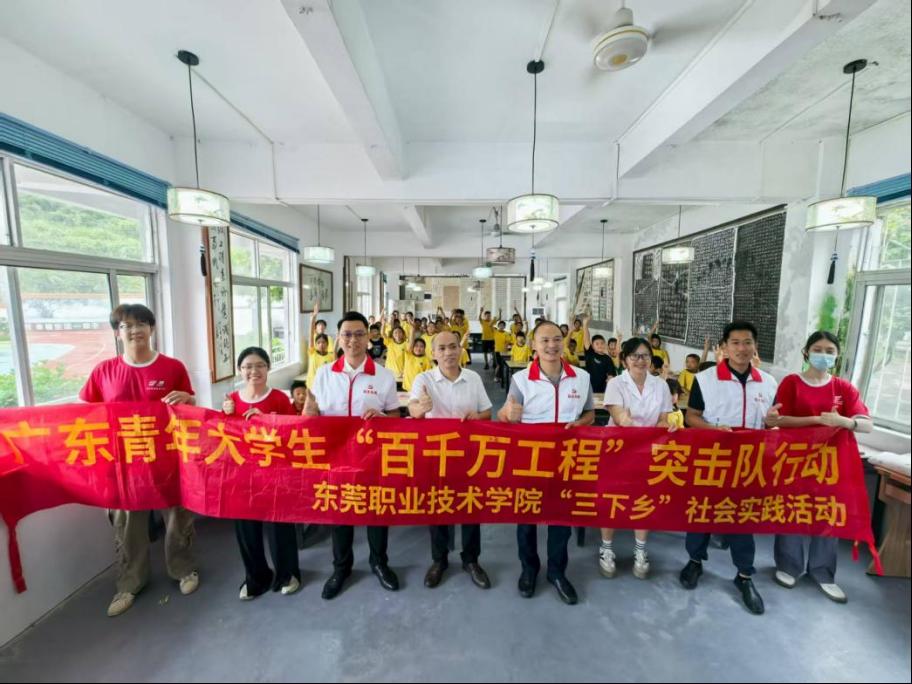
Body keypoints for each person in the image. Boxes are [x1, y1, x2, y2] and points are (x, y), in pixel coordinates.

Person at [79, 304, 199, 617]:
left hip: (168, 458)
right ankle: (130, 582)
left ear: (152, 328)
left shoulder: (172, 367)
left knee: (177, 518)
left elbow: (190, 406)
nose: (135, 330)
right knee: (127, 525)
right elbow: (85, 413)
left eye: (142, 324)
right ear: (117, 333)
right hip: (124, 463)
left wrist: (188, 398)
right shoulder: (104, 371)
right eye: (127, 325)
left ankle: (183, 569)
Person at [765, 330, 872, 603]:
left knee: (828, 514)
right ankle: (788, 565)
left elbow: (866, 424)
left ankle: (823, 572)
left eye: (829, 351)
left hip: (831, 464)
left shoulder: (843, 388)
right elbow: (778, 419)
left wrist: (845, 422)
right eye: (818, 349)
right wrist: (817, 420)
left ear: (837, 356)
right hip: (795, 461)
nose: (823, 355)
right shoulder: (792, 383)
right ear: (806, 352)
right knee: (792, 510)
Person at [679, 321, 777, 615]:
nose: (741, 348)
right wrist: (713, 430)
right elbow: (691, 417)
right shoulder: (706, 379)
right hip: (713, 459)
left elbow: (773, 422)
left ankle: (744, 575)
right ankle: (694, 561)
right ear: (724, 347)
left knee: (743, 517)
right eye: (735, 342)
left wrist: (773, 425)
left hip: (750, 463)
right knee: (702, 512)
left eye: (747, 342)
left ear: (755, 346)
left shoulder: (769, 383)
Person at [305, 311, 401, 599]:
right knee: (340, 513)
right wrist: (308, 413)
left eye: (359, 334)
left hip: (372, 457)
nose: (353, 340)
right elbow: (313, 415)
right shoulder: (324, 374)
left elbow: (395, 416)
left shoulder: (383, 376)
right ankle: (341, 568)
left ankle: (379, 562)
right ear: (339, 338)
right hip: (335, 458)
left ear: (368, 337)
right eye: (347, 334)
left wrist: (383, 418)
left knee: (376, 512)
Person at [498, 321, 595, 605]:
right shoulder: (521, 379)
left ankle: (557, 572)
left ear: (563, 341)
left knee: (561, 519)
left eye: (556, 339)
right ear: (534, 345)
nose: (551, 346)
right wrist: (507, 414)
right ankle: (529, 569)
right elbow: (506, 415)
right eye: (545, 340)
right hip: (529, 460)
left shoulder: (581, 377)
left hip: (565, 459)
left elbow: (590, 413)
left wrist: (580, 423)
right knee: (526, 518)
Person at [409, 331, 493, 590]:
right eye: (442, 348)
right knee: (438, 507)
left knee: (471, 507)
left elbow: (487, 412)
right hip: (437, 455)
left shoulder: (473, 378)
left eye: (453, 347)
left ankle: (471, 560)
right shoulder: (423, 379)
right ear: (434, 353)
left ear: (461, 349)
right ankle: (439, 560)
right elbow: (413, 409)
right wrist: (420, 409)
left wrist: (478, 417)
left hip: (470, 455)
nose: (449, 353)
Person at [223, 347, 301, 600]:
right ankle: (256, 577)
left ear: (268, 368)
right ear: (240, 370)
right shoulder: (231, 400)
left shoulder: (279, 399)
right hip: (242, 477)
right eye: (247, 366)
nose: (253, 371)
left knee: (279, 527)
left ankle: (288, 574)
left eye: (259, 365)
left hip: (275, 474)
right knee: (247, 530)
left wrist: (266, 419)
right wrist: (224, 415)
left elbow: (293, 436)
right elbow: (223, 438)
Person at [599, 337, 677, 580]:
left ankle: (640, 550)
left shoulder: (661, 386)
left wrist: (666, 425)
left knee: (644, 499)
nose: (640, 360)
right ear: (625, 360)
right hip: (618, 450)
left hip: (648, 451)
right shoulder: (616, 384)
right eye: (634, 356)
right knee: (613, 499)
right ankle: (606, 548)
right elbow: (617, 414)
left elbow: (663, 418)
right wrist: (625, 420)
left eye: (645, 356)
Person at [581, 313, 616, 393]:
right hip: (589, 389)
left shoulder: (607, 359)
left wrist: (610, 381)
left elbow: (611, 374)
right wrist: (585, 325)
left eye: (602, 343)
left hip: (603, 391)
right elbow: (586, 340)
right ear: (592, 346)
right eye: (597, 344)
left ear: (605, 344)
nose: (600, 345)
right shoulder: (590, 354)